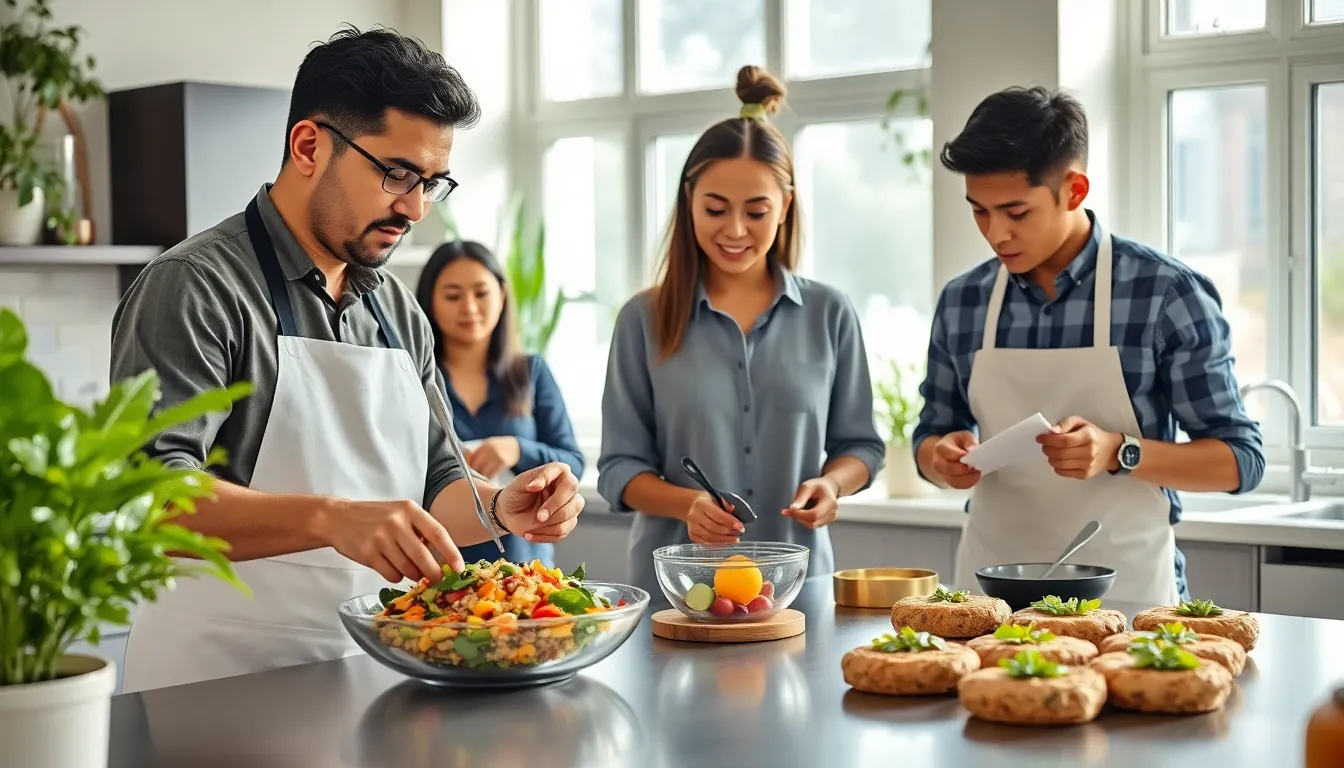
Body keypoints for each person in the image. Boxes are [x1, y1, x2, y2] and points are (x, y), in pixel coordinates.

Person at [108, 27, 585, 693]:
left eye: (432, 182)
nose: (415, 207)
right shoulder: (194, 286)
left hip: (372, 676)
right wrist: (330, 518)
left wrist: (503, 506)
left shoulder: (394, 307)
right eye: (396, 174)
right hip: (217, 687)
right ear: (308, 146)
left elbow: (439, 480)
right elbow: (153, 502)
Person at [913, 85, 1265, 606]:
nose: (995, 233)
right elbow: (932, 431)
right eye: (980, 211)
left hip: (1129, 600)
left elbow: (1241, 460)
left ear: (1074, 191)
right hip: (989, 599)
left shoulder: (1164, 293)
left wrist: (1118, 452)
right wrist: (939, 459)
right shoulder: (964, 300)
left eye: (1016, 212)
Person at [597, 65, 886, 602]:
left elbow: (861, 446)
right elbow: (619, 468)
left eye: (756, 211)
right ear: (689, 201)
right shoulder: (643, 319)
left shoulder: (830, 312)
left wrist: (832, 484)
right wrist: (688, 505)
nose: (734, 230)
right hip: (678, 596)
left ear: (785, 207)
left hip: (797, 593)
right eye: (715, 209)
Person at [414, 239, 586, 568]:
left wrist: (517, 449)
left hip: (526, 565)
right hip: (443, 566)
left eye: (481, 293)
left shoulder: (531, 372)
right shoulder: (417, 379)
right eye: (452, 295)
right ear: (429, 303)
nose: (469, 307)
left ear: (502, 296)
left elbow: (573, 464)